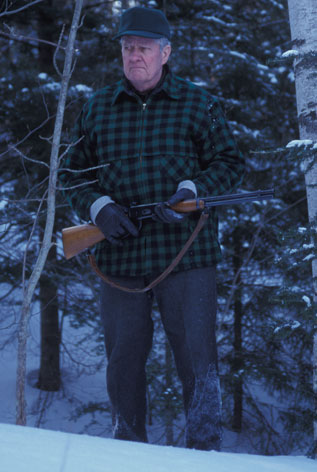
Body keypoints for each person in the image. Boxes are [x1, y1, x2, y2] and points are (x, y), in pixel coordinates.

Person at [60, 6, 245, 451]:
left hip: (187, 256)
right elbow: (73, 173)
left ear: (165, 53)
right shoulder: (99, 106)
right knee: (123, 362)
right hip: (119, 257)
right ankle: (127, 450)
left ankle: (206, 453)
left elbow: (230, 163)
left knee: (197, 360)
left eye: (143, 48)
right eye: (127, 48)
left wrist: (191, 189)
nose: (134, 55)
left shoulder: (200, 103)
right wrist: (100, 208)